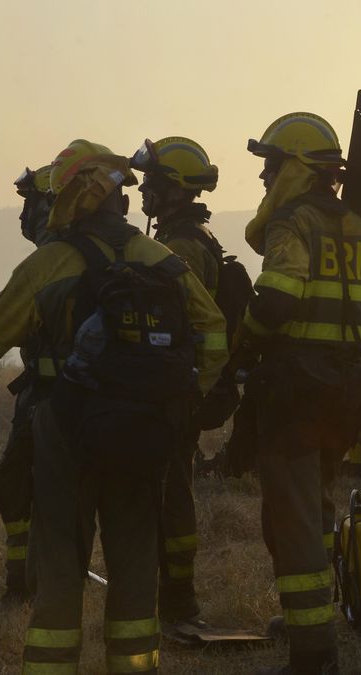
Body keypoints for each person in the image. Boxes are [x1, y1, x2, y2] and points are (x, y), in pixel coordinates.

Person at [0, 139, 228, 674]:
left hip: (66, 426)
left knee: (61, 559)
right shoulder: (162, 259)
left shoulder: (50, 262)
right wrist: (182, 399)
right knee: (134, 556)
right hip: (143, 426)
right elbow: (214, 331)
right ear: (118, 202)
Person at [236, 112, 361, 675]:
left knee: (294, 518)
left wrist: (243, 344)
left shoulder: (293, 226)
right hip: (349, 391)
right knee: (318, 504)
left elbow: (276, 302)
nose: (264, 178)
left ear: (296, 169)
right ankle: (314, 613)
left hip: (298, 393)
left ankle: (314, 650)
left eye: (270, 165)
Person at [129, 135, 226, 635]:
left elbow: (184, 323)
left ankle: (178, 599)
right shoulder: (189, 238)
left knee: (171, 494)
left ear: (174, 189)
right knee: (172, 490)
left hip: (173, 390)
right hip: (177, 386)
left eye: (153, 182)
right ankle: (173, 595)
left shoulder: (182, 246)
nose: (143, 191)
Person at [0, 163, 55, 607]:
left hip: (49, 399)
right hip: (98, 398)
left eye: (31, 203)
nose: (24, 215)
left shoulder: (48, 263)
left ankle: (23, 586)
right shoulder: (117, 253)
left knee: (15, 488)